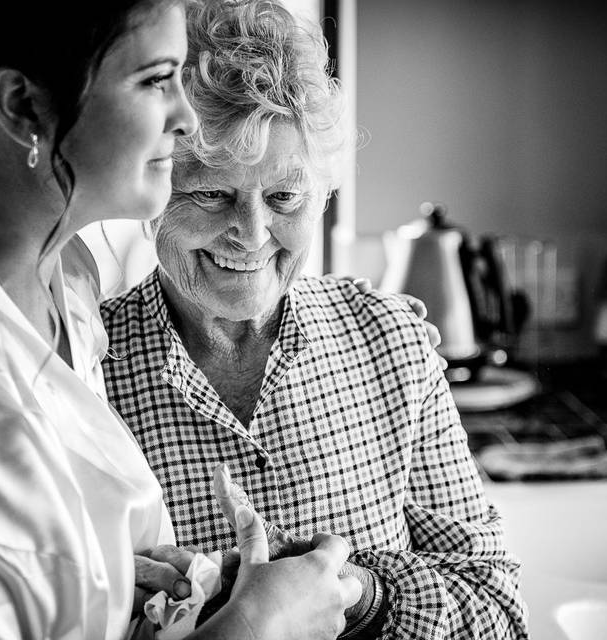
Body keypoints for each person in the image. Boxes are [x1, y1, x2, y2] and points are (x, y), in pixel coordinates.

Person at [0, 1, 361, 637]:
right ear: (23, 105)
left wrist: (147, 603)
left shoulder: (65, 273)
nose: (186, 117)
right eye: (157, 79)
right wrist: (254, 627)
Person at [100, 1, 529, 637]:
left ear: (322, 197)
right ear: (148, 190)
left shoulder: (392, 340)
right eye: (211, 193)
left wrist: (361, 596)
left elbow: (499, 610)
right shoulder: (84, 360)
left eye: (284, 197)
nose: (250, 234)